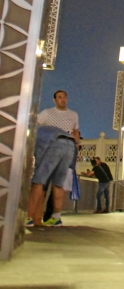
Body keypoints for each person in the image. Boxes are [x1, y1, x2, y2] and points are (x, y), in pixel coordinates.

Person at [26, 90, 79, 227]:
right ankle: (55, 218)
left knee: (39, 181)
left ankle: (29, 217)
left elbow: (33, 126)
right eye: (60, 97)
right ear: (54, 100)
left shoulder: (73, 115)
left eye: (65, 97)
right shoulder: (48, 113)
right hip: (68, 145)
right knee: (58, 184)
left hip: (53, 144)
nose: (63, 99)